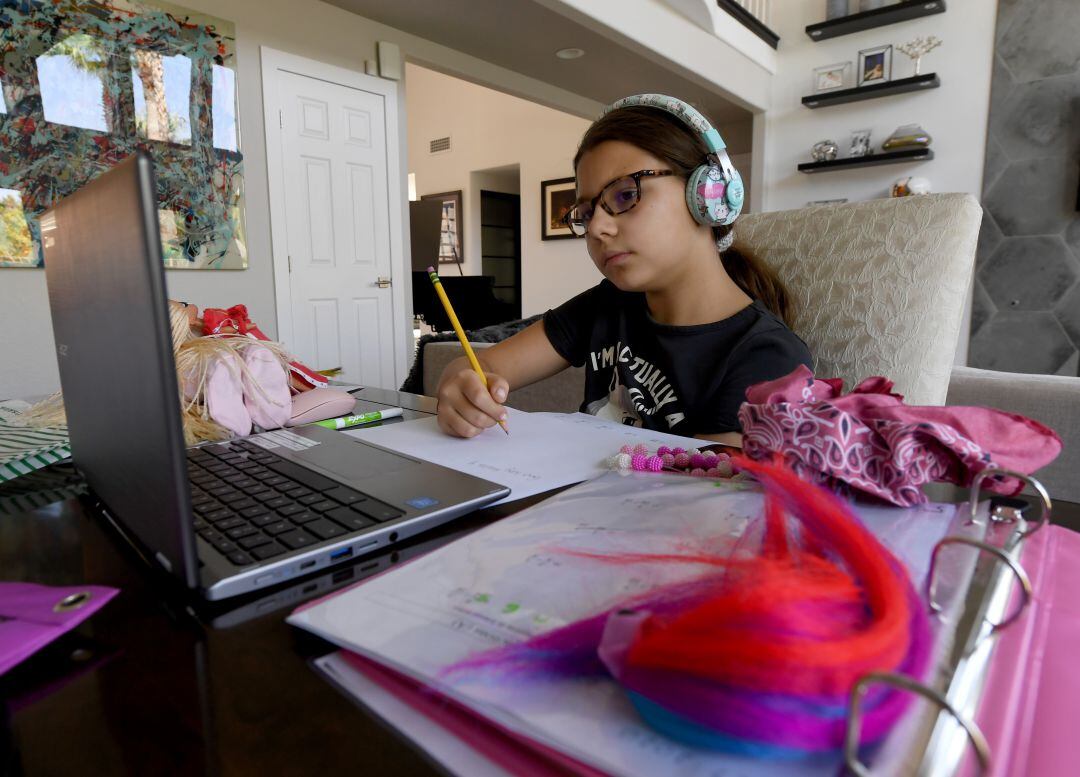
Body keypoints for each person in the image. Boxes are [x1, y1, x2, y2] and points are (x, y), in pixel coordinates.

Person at [435, 94, 812, 447]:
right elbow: (480, 363)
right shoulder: (609, 304)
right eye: (586, 213)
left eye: (625, 195)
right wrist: (461, 384)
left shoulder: (767, 358)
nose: (597, 228)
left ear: (708, 195)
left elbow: (706, 500)